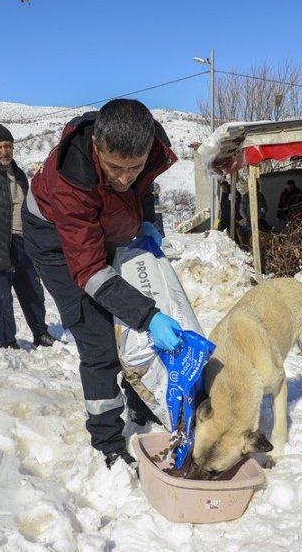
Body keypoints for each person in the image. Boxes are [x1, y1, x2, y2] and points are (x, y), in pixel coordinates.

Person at [21, 99, 183, 471]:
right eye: (115, 168)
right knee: (97, 340)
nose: (125, 177)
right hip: (55, 242)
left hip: (104, 226)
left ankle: (140, 402)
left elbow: (140, 188)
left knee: (130, 321)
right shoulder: (71, 182)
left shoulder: (148, 151)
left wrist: (146, 222)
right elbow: (90, 271)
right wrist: (149, 316)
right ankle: (108, 439)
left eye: (134, 167)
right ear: (96, 147)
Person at [0, 122, 57, 350]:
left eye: (7, 145)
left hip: (24, 244)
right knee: (1, 298)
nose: (4, 151)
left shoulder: (20, 174)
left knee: (33, 292)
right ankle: (7, 342)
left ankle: (40, 333)